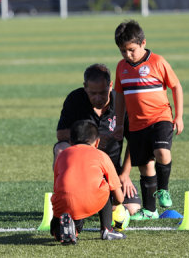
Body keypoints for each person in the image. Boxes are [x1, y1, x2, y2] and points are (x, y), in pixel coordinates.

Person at [113, 20, 184, 221]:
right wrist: (119, 124)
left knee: (162, 152)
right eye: (123, 51)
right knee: (145, 165)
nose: (127, 55)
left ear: (143, 43)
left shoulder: (158, 62)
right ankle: (150, 210)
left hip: (160, 118)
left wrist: (178, 116)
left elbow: (176, 86)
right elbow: (119, 97)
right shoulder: (120, 68)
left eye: (131, 50)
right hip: (136, 124)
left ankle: (163, 190)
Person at [53, 63, 141, 215]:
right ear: (85, 87)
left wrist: (125, 174)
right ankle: (64, 192)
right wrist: (91, 142)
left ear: (111, 85)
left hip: (111, 169)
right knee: (60, 148)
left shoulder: (122, 102)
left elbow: (135, 140)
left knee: (132, 208)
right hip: (82, 170)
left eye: (102, 92)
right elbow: (61, 135)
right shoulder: (75, 100)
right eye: (93, 93)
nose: (98, 98)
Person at [50, 120, 127, 244]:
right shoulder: (101, 155)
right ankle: (107, 229)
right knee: (106, 185)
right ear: (97, 142)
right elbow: (119, 197)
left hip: (63, 204)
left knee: (55, 228)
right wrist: (115, 205)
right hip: (92, 201)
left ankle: (68, 231)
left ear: (70, 142)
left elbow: (57, 187)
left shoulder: (62, 155)